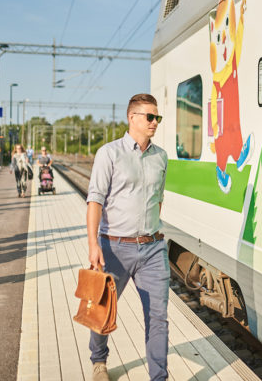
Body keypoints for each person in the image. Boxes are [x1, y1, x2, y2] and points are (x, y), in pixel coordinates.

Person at [86, 93, 169, 381]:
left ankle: (159, 376)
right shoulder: (109, 153)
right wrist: (93, 244)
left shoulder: (161, 157)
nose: (155, 122)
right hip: (114, 247)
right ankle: (99, 361)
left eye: (157, 117)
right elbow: (95, 200)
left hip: (153, 248)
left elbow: (158, 199)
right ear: (132, 117)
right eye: (149, 116)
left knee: (158, 317)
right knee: (103, 309)